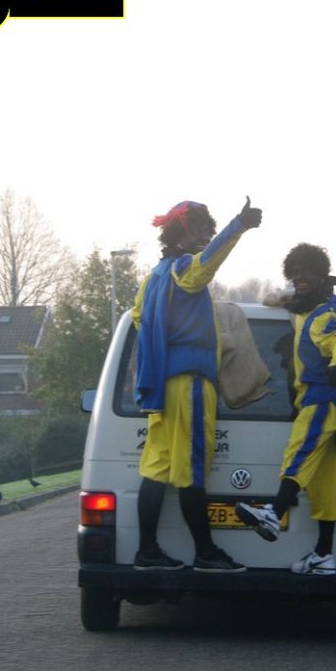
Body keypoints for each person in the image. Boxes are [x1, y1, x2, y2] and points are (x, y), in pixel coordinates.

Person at [132, 196, 262, 573]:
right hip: (191, 382)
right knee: (192, 470)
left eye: (209, 230)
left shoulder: (153, 278)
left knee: (157, 469)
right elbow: (207, 264)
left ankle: (147, 552)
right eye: (201, 229)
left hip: (161, 387)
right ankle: (205, 553)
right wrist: (239, 226)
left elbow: (140, 319)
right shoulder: (185, 270)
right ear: (181, 233)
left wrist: (165, 341)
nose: (205, 236)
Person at [235, 243, 336, 575]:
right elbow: (281, 302)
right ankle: (323, 555)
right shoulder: (304, 313)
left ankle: (274, 512)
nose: (299, 277)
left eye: (306, 272)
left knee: (298, 452)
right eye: (294, 273)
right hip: (311, 400)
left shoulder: (324, 314)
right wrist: (286, 297)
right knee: (324, 484)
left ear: (321, 275)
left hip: (322, 399)